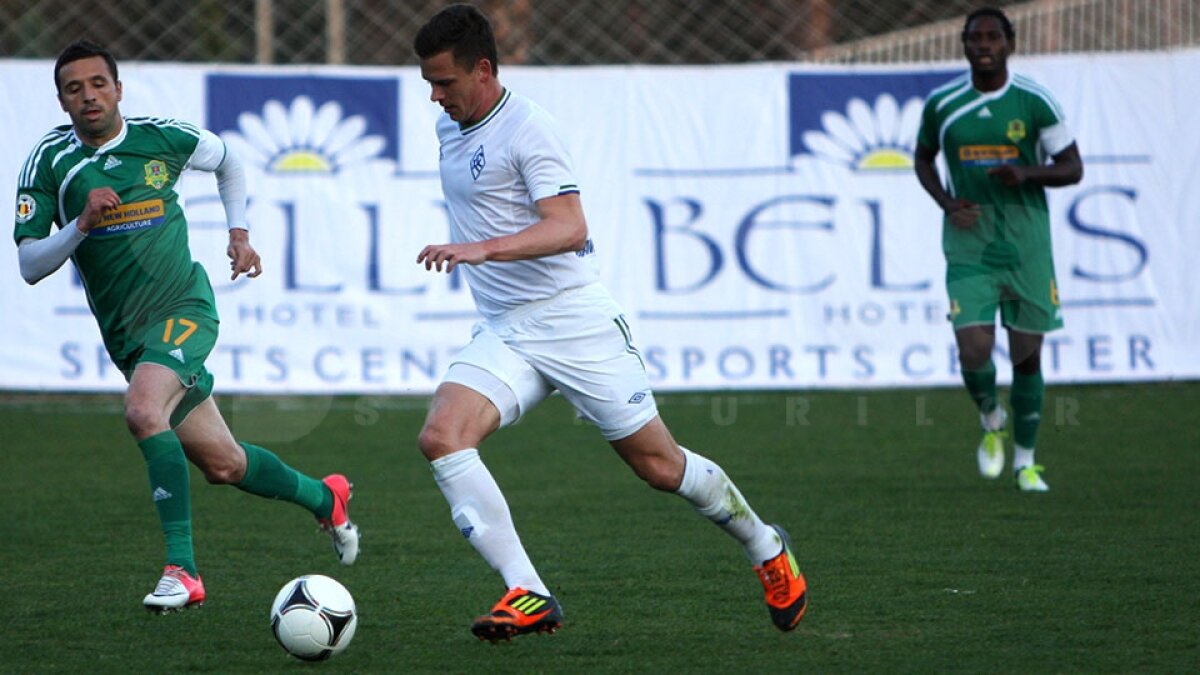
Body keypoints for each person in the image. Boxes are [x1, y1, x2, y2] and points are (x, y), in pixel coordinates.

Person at [411, 4, 806, 642]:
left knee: (659, 468)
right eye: (428, 82)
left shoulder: (528, 129)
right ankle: (529, 592)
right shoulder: (448, 128)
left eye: (445, 82)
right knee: (443, 436)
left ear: (483, 70)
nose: (435, 96)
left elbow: (571, 228)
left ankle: (765, 545)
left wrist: (481, 248)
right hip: (508, 329)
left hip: (574, 324)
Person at [13, 40, 360, 612]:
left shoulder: (161, 138)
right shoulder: (50, 161)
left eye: (99, 84)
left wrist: (239, 232)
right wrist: (79, 225)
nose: (89, 97)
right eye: (75, 89)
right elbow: (30, 265)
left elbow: (228, 160)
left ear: (118, 88)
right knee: (225, 464)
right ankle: (327, 499)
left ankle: (184, 571)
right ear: (61, 100)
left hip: (184, 310)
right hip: (130, 338)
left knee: (143, 410)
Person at [914, 7, 1083, 492]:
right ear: (964, 45)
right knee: (974, 346)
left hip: (1027, 244)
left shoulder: (1034, 102)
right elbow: (922, 158)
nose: (984, 44)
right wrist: (947, 202)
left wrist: (1027, 173)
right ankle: (991, 418)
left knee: (1027, 355)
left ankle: (1025, 462)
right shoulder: (944, 103)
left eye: (993, 36)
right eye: (975, 37)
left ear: (1010, 42)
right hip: (970, 244)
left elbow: (1072, 168)